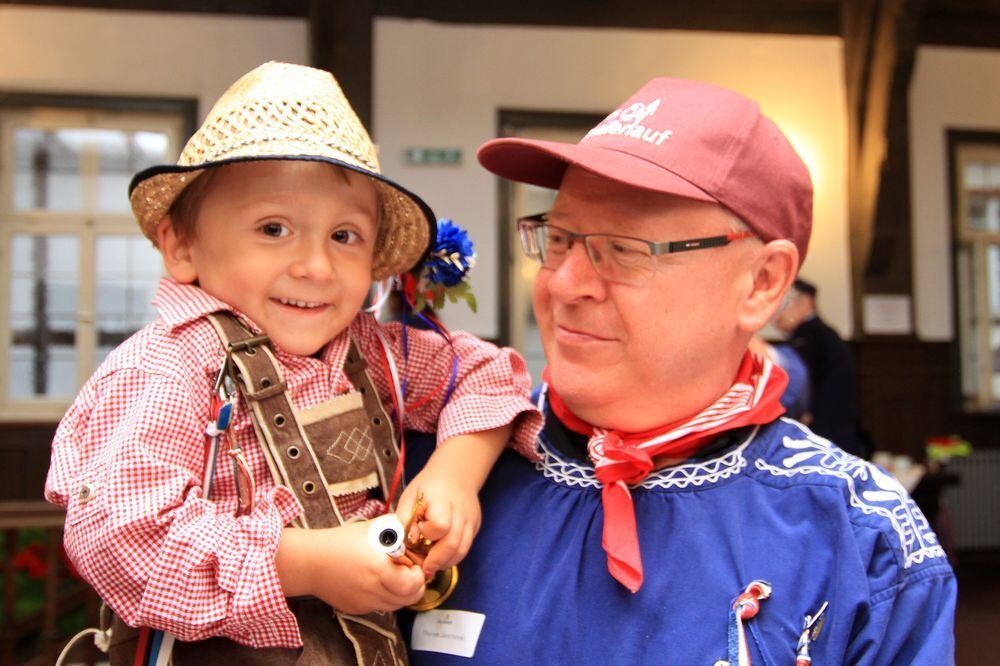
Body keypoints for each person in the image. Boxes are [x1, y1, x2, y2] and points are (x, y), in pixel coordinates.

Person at [403, 78, 955, 664]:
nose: (563, 283)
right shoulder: (441, 470)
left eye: (624, 248)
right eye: (560, 239)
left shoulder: (862, 535)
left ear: (762, 283)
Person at [44, 62, 540, 665]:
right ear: (181, 246)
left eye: (344, 236)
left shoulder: (376, 351)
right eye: (273, 228)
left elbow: (485, 374)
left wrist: (454, 476)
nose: (316, 266)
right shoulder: (168, 367)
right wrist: (303, 564)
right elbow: (122, 537)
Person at [775, 278, 869, 458]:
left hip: (824, 431)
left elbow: (799, 384)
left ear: (806, 302)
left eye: (782, 303)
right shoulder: (821, 334)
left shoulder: (810, 335)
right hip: (835, 429)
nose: (774, 313)